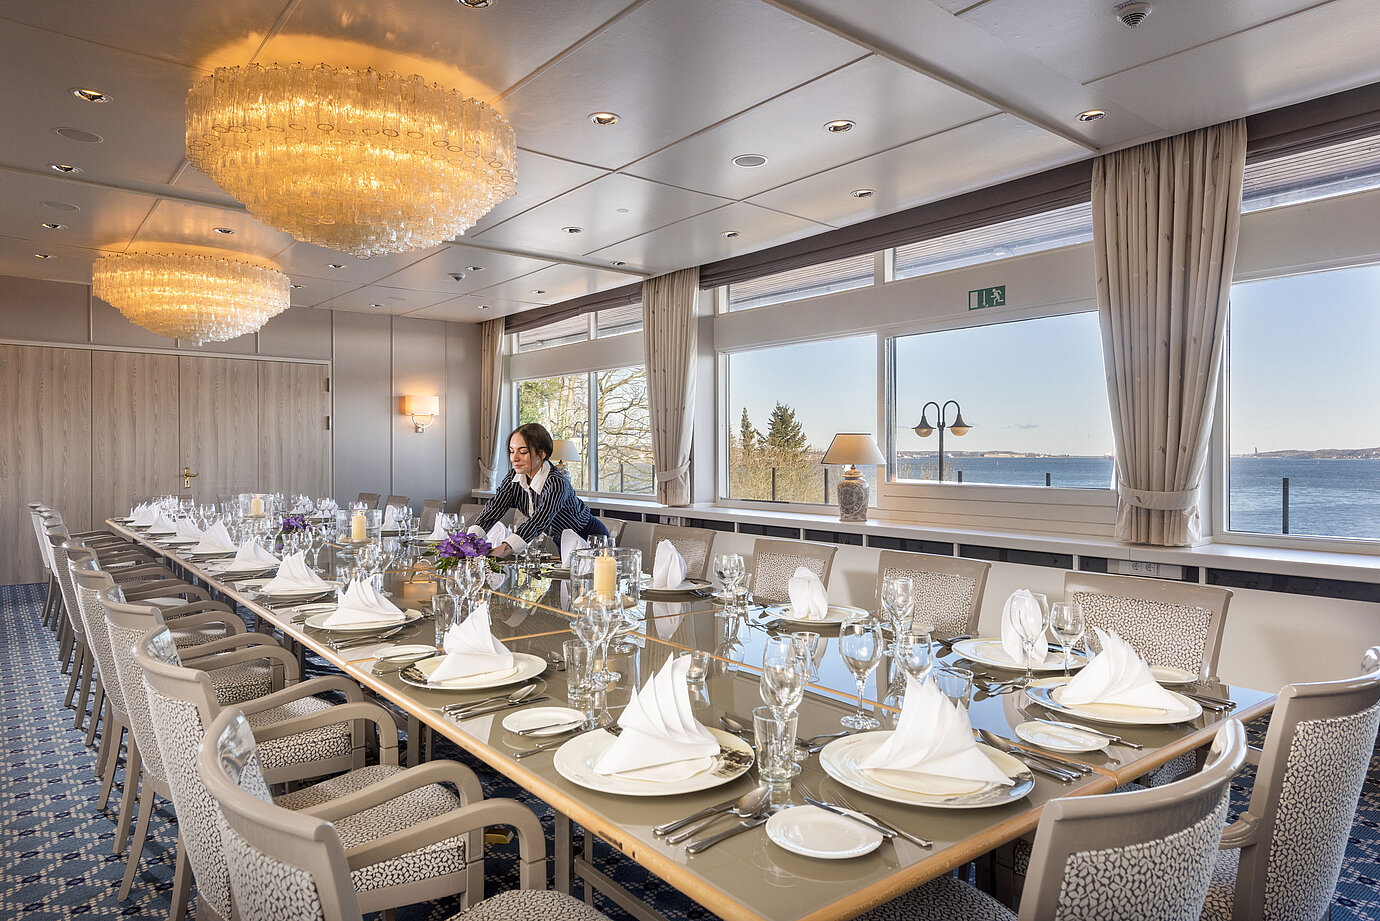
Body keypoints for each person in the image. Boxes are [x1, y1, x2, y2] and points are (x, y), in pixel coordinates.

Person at [471, 422, 610, 558]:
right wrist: (468, 541)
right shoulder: (514, 478)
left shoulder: (556, 483)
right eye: (511, 451)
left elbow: (539, 520)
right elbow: (494, 507)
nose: (514, 458)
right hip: (562, 539)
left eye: (523, 451)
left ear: (542, 453)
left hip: (588, 538)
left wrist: (503, 550)